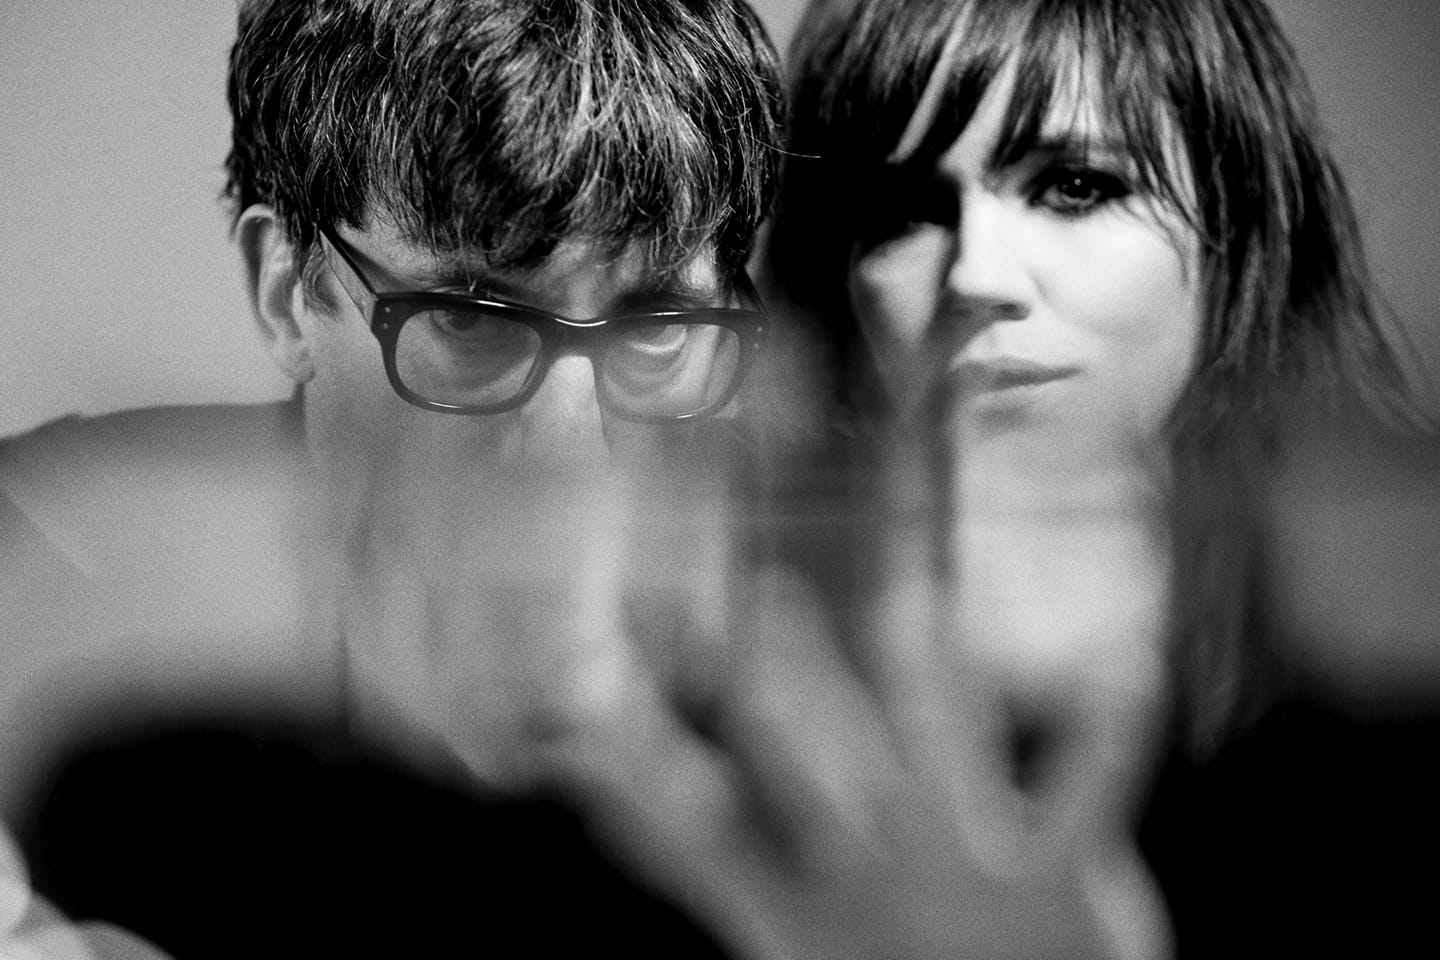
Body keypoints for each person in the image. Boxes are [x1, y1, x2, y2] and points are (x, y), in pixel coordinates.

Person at [1, 0, 784, 956]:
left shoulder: (806, 846)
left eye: (657, 329)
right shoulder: (109, 788)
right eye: (468, 319)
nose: (568, 450)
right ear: (285, 293)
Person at [763, 0, 1438, 955]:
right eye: (903, 209)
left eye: (1076, 186)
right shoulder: (700, 792)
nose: (978, 275)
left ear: (1240, 253)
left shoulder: (1387, 812)